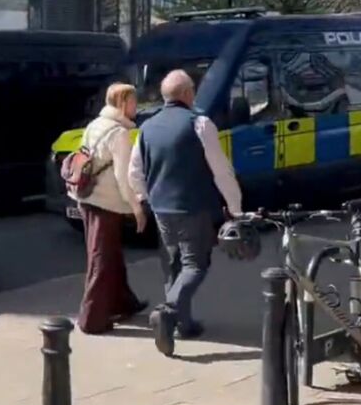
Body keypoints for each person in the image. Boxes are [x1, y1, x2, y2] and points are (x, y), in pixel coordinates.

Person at [129, 70, 242, 357]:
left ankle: (185, 324)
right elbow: (221, 170)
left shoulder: (147, 127)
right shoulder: (200, 123)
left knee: (173, 265)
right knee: (195, 264)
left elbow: (135, 172)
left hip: (161, 209)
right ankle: (169, 313)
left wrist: (146, 198)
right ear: (187, 94)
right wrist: (235, 206)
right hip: (194, 206)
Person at [74, 83, 148, 335]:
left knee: (110, 256)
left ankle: (123, 303)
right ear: (122, 103)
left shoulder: (95, 125)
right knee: (102, 260)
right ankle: (91, 320)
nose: (136, 106)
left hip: (87, 198)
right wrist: (136, 208)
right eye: (133, 101)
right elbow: (122, 177)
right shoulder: (119, 133)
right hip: (104, 202)